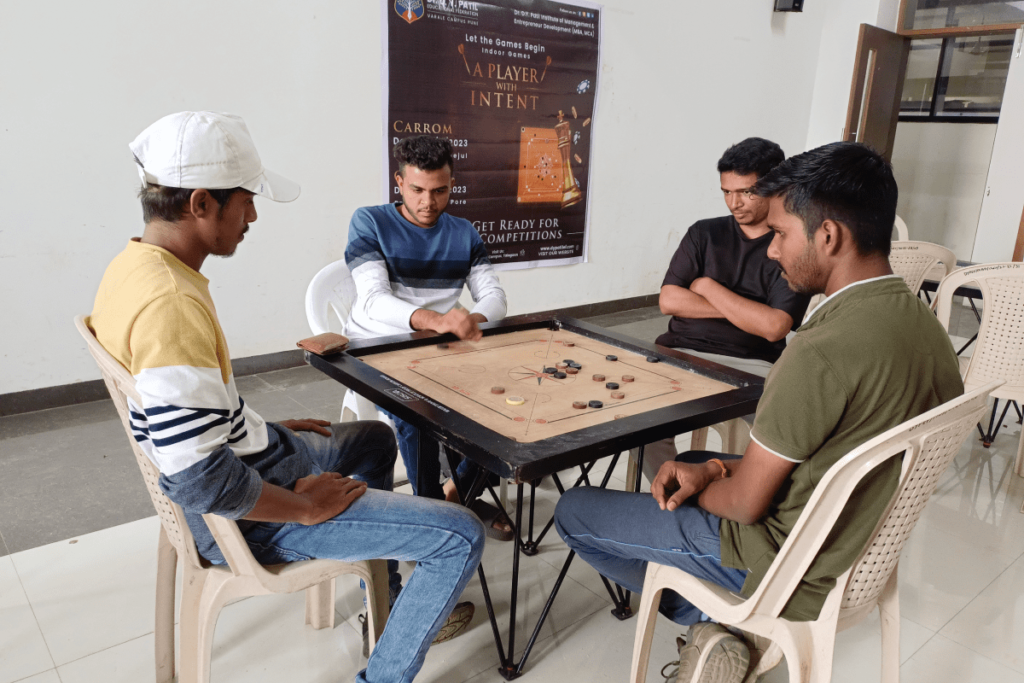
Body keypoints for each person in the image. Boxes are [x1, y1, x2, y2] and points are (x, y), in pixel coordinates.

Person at [88, 112, 485, 683]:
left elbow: (184, 418)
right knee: (459, 533)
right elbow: (200, 480)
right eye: (245, 201)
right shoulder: (169, 305)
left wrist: (251, 424)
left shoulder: (134, 266)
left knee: (373, 438)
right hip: (241, 511)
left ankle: (390, 599)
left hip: (251, 459)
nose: (252, 215)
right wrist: (304, 506)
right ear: (201, 203)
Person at [555, 142, 964, 683]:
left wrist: (708, 486)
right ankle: (716, 616)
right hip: (855, 541)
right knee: (702, 457)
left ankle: (714, 620)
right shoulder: (927, 328)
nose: (771, 252)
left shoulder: (818, 350)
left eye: (780, 234)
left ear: (828, 236)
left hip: (782, 558)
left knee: (576, 510)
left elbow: (747, 507)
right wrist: (716, 469)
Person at [344, 135, 512, 538]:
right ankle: (435, 512)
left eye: (440, 191)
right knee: (416, 417)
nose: (428, 202)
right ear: (398, 182)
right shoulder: (369, 221)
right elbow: (373, 302)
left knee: (509, 410)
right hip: (377, 347)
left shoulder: (464, 232)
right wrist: (435, 321)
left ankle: (449, 500)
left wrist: (471, 318)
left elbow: (494, 296)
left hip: (442, 348)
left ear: (452, 184)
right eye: (417, 190)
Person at [646, 138, 811, 478]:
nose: (734, 203)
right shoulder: (704, 233)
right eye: (726, 191)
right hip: (678, 352)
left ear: (775, 186)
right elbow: (669, 300)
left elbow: (774, 326)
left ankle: (727, 500)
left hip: (751, 365)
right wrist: (747, 310)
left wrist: (707, 287)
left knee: (783, 440)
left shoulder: (789, 244)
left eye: (747, 192)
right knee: (640, 423)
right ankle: (672, 497)